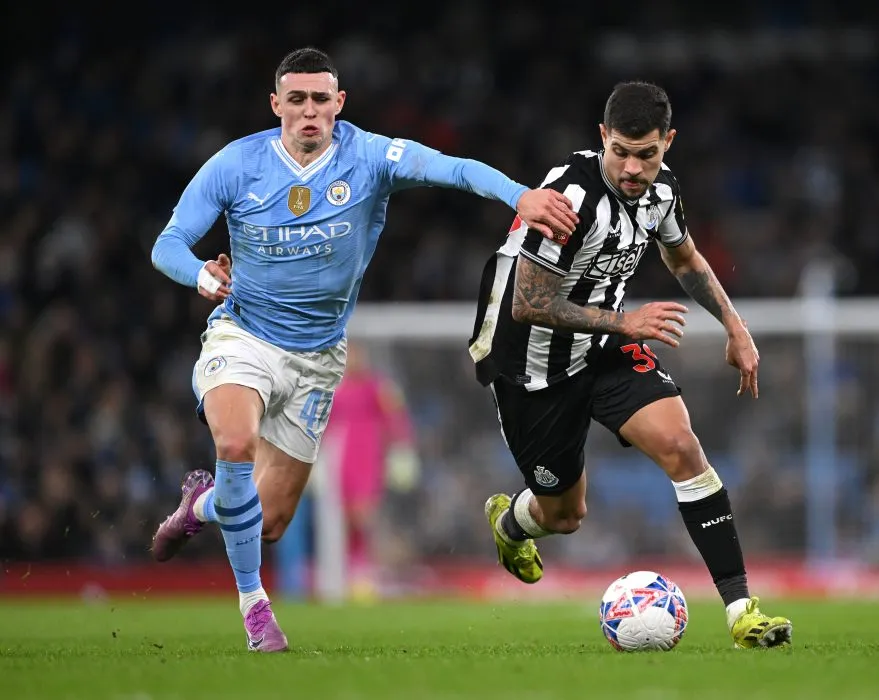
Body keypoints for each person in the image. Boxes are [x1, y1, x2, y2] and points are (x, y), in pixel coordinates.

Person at [149, 47, 578, 653]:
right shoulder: (236, 164)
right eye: (295, 100)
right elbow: (167, 244)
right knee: (235, 443)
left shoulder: (371, 156)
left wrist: (520, 196)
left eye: (319, 100)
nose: (308, 112)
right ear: (276, 105)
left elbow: (453, 168)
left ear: (338, 104)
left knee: (268, 520)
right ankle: (255, 611)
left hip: (318, 358)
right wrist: (203, 278)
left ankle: (201, 505)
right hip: (242, 334)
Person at [468, 81, 792, 649]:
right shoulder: (566, 198)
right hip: (532, 365)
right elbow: (529, 303)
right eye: (621, 151)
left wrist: (736, 328)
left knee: (683, 448)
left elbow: (684, 257)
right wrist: (627, 322)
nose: (633, 168)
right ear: (602, 139)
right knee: (565, 515)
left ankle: (742, 612)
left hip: (603, 345)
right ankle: (510, 523)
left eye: (647, 154)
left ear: (668, 142)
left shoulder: (661, 192)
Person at [320, 341, 419, 600]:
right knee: (347, 520)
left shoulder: (377, 386)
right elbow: (324, 425)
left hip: (368, 458)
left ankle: (366, 573)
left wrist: (402, 450)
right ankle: (352, 573)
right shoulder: (336, 389)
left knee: (365, 517)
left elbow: (396, 419)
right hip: (341, 460)